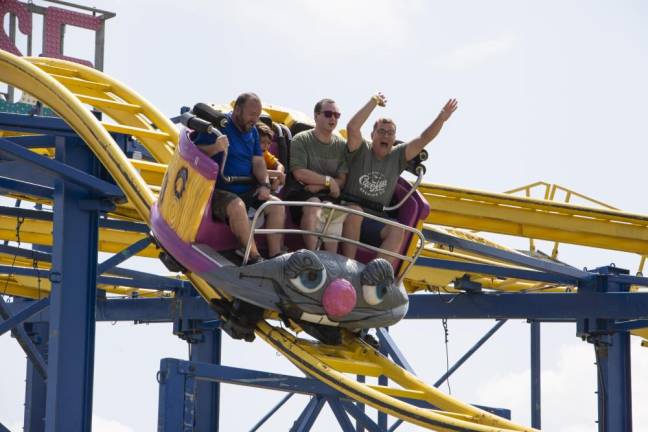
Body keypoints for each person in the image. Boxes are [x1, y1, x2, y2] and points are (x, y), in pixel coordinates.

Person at [341, 92, 458, 267]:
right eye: (381, 131)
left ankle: (375, 272)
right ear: (372, 134)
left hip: (375, 221)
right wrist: (373, 102)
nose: (386, 136)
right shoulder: (361, 149)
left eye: (390, 133)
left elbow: (423, 139)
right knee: (356, 212)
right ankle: (348, 266)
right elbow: (352, 127)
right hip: (348, 213)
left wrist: (441, 118)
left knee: (397, 229)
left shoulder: (397, 156)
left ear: (394, 138)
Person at [192, 92, 284, 263]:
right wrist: (215, 147)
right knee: (237, 206)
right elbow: (196, 153)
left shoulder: (253, 132)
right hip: (218, 191)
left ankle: (275, 256)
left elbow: (258, 162)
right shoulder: (219, 126)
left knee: (276, 205)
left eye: (257, 115)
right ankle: (254, 257)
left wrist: (264, 184)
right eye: (251, 114)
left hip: (247, 188)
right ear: (238, 110)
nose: (254, 119)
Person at [285, 98, 348, 252]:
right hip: (300, 193)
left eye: (336, 115)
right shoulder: (302, 139)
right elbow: (299, 173)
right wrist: (328, 181)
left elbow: (341, 180)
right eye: (328, 114)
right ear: (316, 116)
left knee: (333, 210)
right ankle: (313, 256)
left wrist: (323, 184)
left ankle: (330, 262)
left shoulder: (341, 146)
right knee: (313, 204)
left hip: (327, 196)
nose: (333, 118)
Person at [256, 122, 286, 192]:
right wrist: (278, 174)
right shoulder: (251, 153)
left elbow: (280, 165)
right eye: (262, 142)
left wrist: (278, 176)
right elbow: (255, 171)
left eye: (269, 143)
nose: (266, 145)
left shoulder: (265, 153)